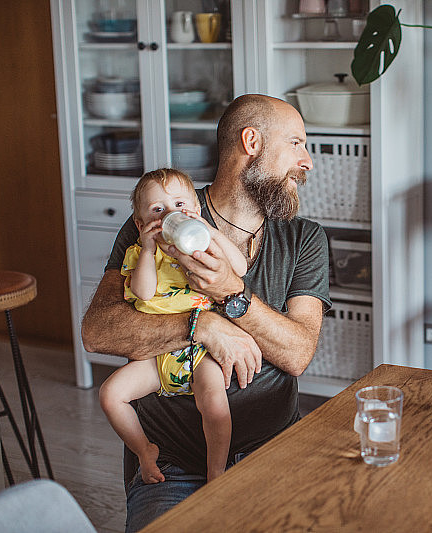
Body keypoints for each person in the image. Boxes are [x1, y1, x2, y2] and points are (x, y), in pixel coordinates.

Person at [81, 95, 331, 532]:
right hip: (172, 464)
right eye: (296, 143)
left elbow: (297, 353)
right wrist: (199, 324)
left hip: (273, 451)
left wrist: (231, 294)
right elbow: (98, 332)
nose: (307, 161)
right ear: (251, 141)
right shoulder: (159, 216)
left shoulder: (304, 239)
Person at [98, 168, 248, 485]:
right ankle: (144, 450)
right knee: (111, 395)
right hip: (157, 354)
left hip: (199, 352)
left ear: (194, 209)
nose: (170, 214)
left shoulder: (203, 247)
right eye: (158, 209)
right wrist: (149, 249)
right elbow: (144, 292)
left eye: (180, 205)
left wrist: (207, 229)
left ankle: (216, 471)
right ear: (141, 224)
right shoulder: (139, 254)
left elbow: (240, 267)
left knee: (215, 404)